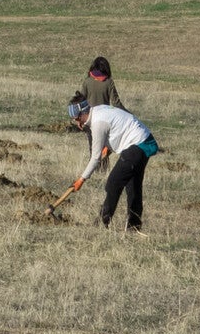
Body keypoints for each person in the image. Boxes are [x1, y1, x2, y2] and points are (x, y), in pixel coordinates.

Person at [68, 94, 159, 232]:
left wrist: (81, 179)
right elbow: (117, 128)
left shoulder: (98, 123)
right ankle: (134, 227)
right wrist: (108, 147)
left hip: (138, 144)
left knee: (113, 183)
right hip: (144, 140)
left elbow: (95, 158)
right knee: (133, 186)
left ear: (83, 113)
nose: (76, 122)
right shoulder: (98, 110)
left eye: (76, 118)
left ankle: (102, 222)